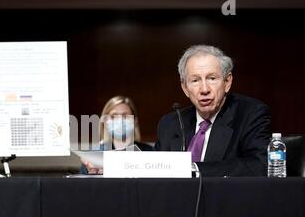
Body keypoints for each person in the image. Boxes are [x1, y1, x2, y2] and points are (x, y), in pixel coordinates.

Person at [154, 45, 271, 176]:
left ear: (227, 82)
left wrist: (195, 169)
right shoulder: (170, 124)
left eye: (212, 78)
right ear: (185, 88)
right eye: (195, 80)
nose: (204, 89)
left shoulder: (250, 114)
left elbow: (260, 164)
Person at [81, 96, 152, 174]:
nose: (120, 120)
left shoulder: (149, 152)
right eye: (113, 116)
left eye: (125, 115)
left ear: (134, 120)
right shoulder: (94, 155)